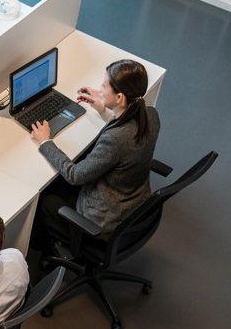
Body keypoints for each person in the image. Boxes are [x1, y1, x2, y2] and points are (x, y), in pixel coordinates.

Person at [31, 59, 161, 241]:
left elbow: (75, 175)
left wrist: (46, 142)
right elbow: (128, 137)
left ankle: (42, 249)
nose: (100, 90)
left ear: (120, 98)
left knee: (47, 199)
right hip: (133, 201)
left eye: (104, 86)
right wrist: (106, 108)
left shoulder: (114, 140)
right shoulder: (151, 114)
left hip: (104, 221)